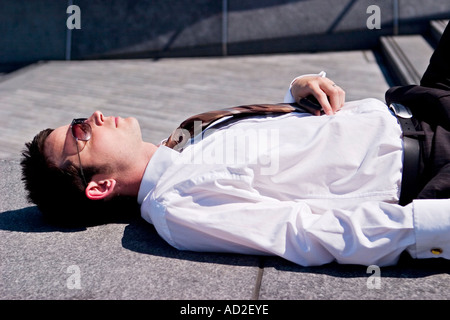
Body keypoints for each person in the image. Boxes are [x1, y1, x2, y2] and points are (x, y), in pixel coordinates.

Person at [21, 24, 450, 267]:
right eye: (79, 133)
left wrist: (298, 89)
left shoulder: (184, 142)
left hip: (419, 104)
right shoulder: (177, 208)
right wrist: (432, 227)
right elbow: (307, 233)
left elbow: (275, 150)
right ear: (98, 188)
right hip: (432, 158)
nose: (92, 118)